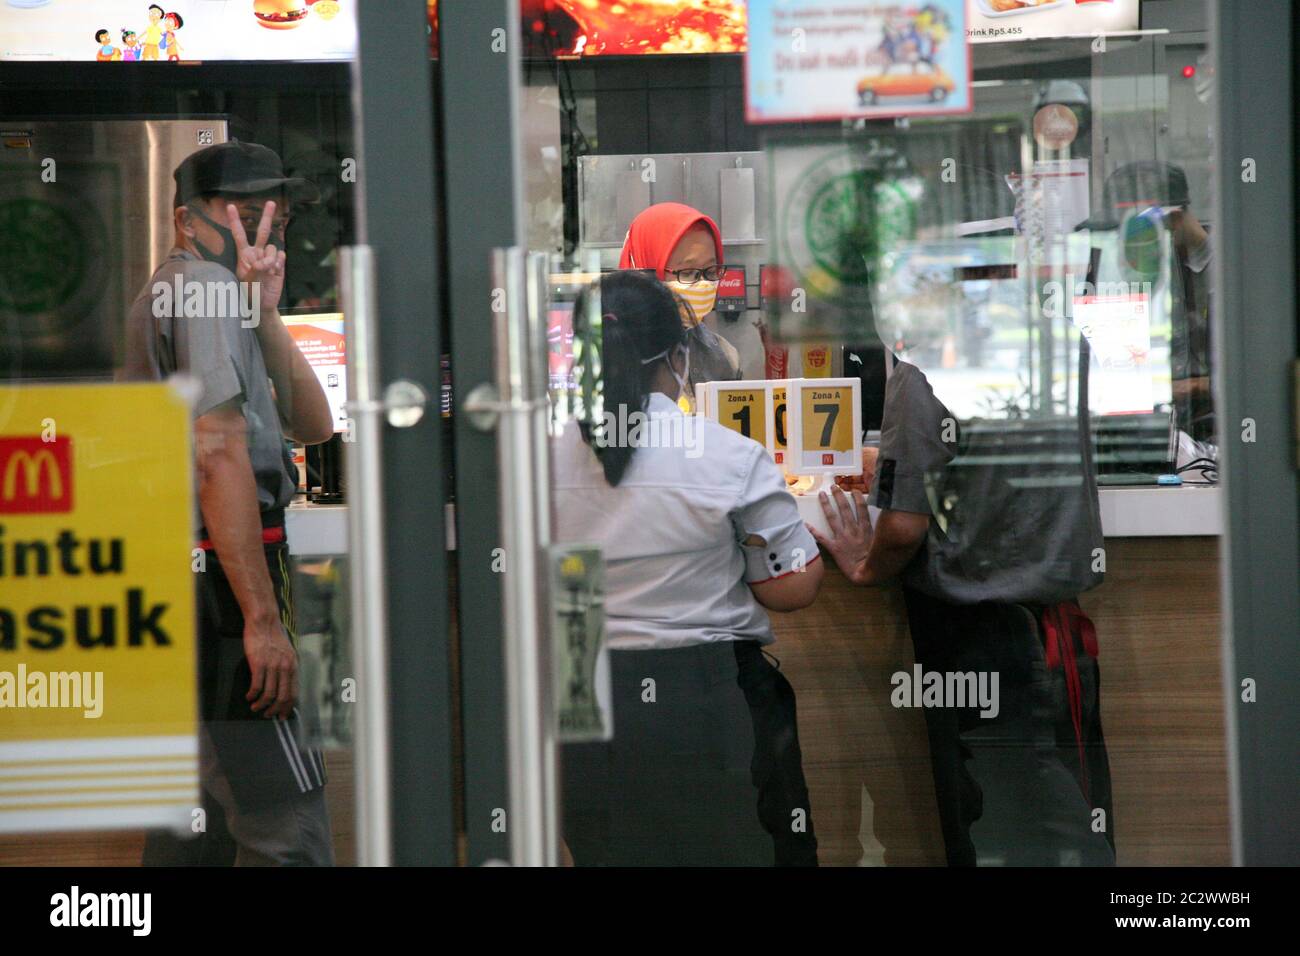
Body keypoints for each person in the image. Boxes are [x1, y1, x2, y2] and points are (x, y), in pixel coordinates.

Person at [556, 270, 824, 865]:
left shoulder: (535, 459)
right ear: (678, 357)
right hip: (704, 698)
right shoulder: (730, 455)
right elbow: (790, 589)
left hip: (585, 704)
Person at [813, 358, 1116, 867]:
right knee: (1065, 825)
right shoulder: (1053, 341)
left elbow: (905, 526)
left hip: (986, 640)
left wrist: (868, 566)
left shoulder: (923, 363)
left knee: (1006, 829)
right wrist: (896, 463)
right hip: (1055, 632)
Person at [122, 140, 335, 866]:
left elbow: (315, 426)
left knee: (197, 824)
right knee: (289, 828)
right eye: (239, 205)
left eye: (270, 204)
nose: (261, 219)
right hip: (215, 586)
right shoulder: (200, 289)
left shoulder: (214, 291)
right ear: (186, 219)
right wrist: (262, 623)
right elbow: (218, 454)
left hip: (189, 585)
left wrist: (267, 314)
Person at [619, 202, 744, 394]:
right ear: (645, 271)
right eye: (688, 272)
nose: (703, 284)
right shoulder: (613, 359)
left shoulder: (725, 357)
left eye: (711, 271)